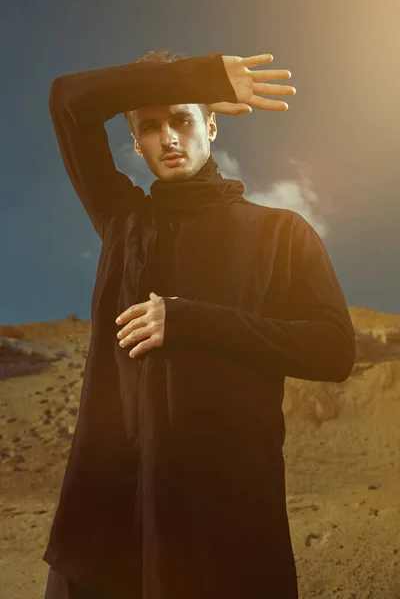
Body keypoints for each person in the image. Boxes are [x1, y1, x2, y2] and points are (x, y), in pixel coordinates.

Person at [43, 49, 355, 599]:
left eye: (182, 119)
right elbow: (67, 100)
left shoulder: (280, 234)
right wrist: (199, 76)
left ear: (212, 124)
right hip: (115, 515)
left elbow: (334, 350)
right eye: (150, 126)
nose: (167, 138)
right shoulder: (124, 221)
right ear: (135, 142)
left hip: (226, 518)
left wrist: (191, 320)